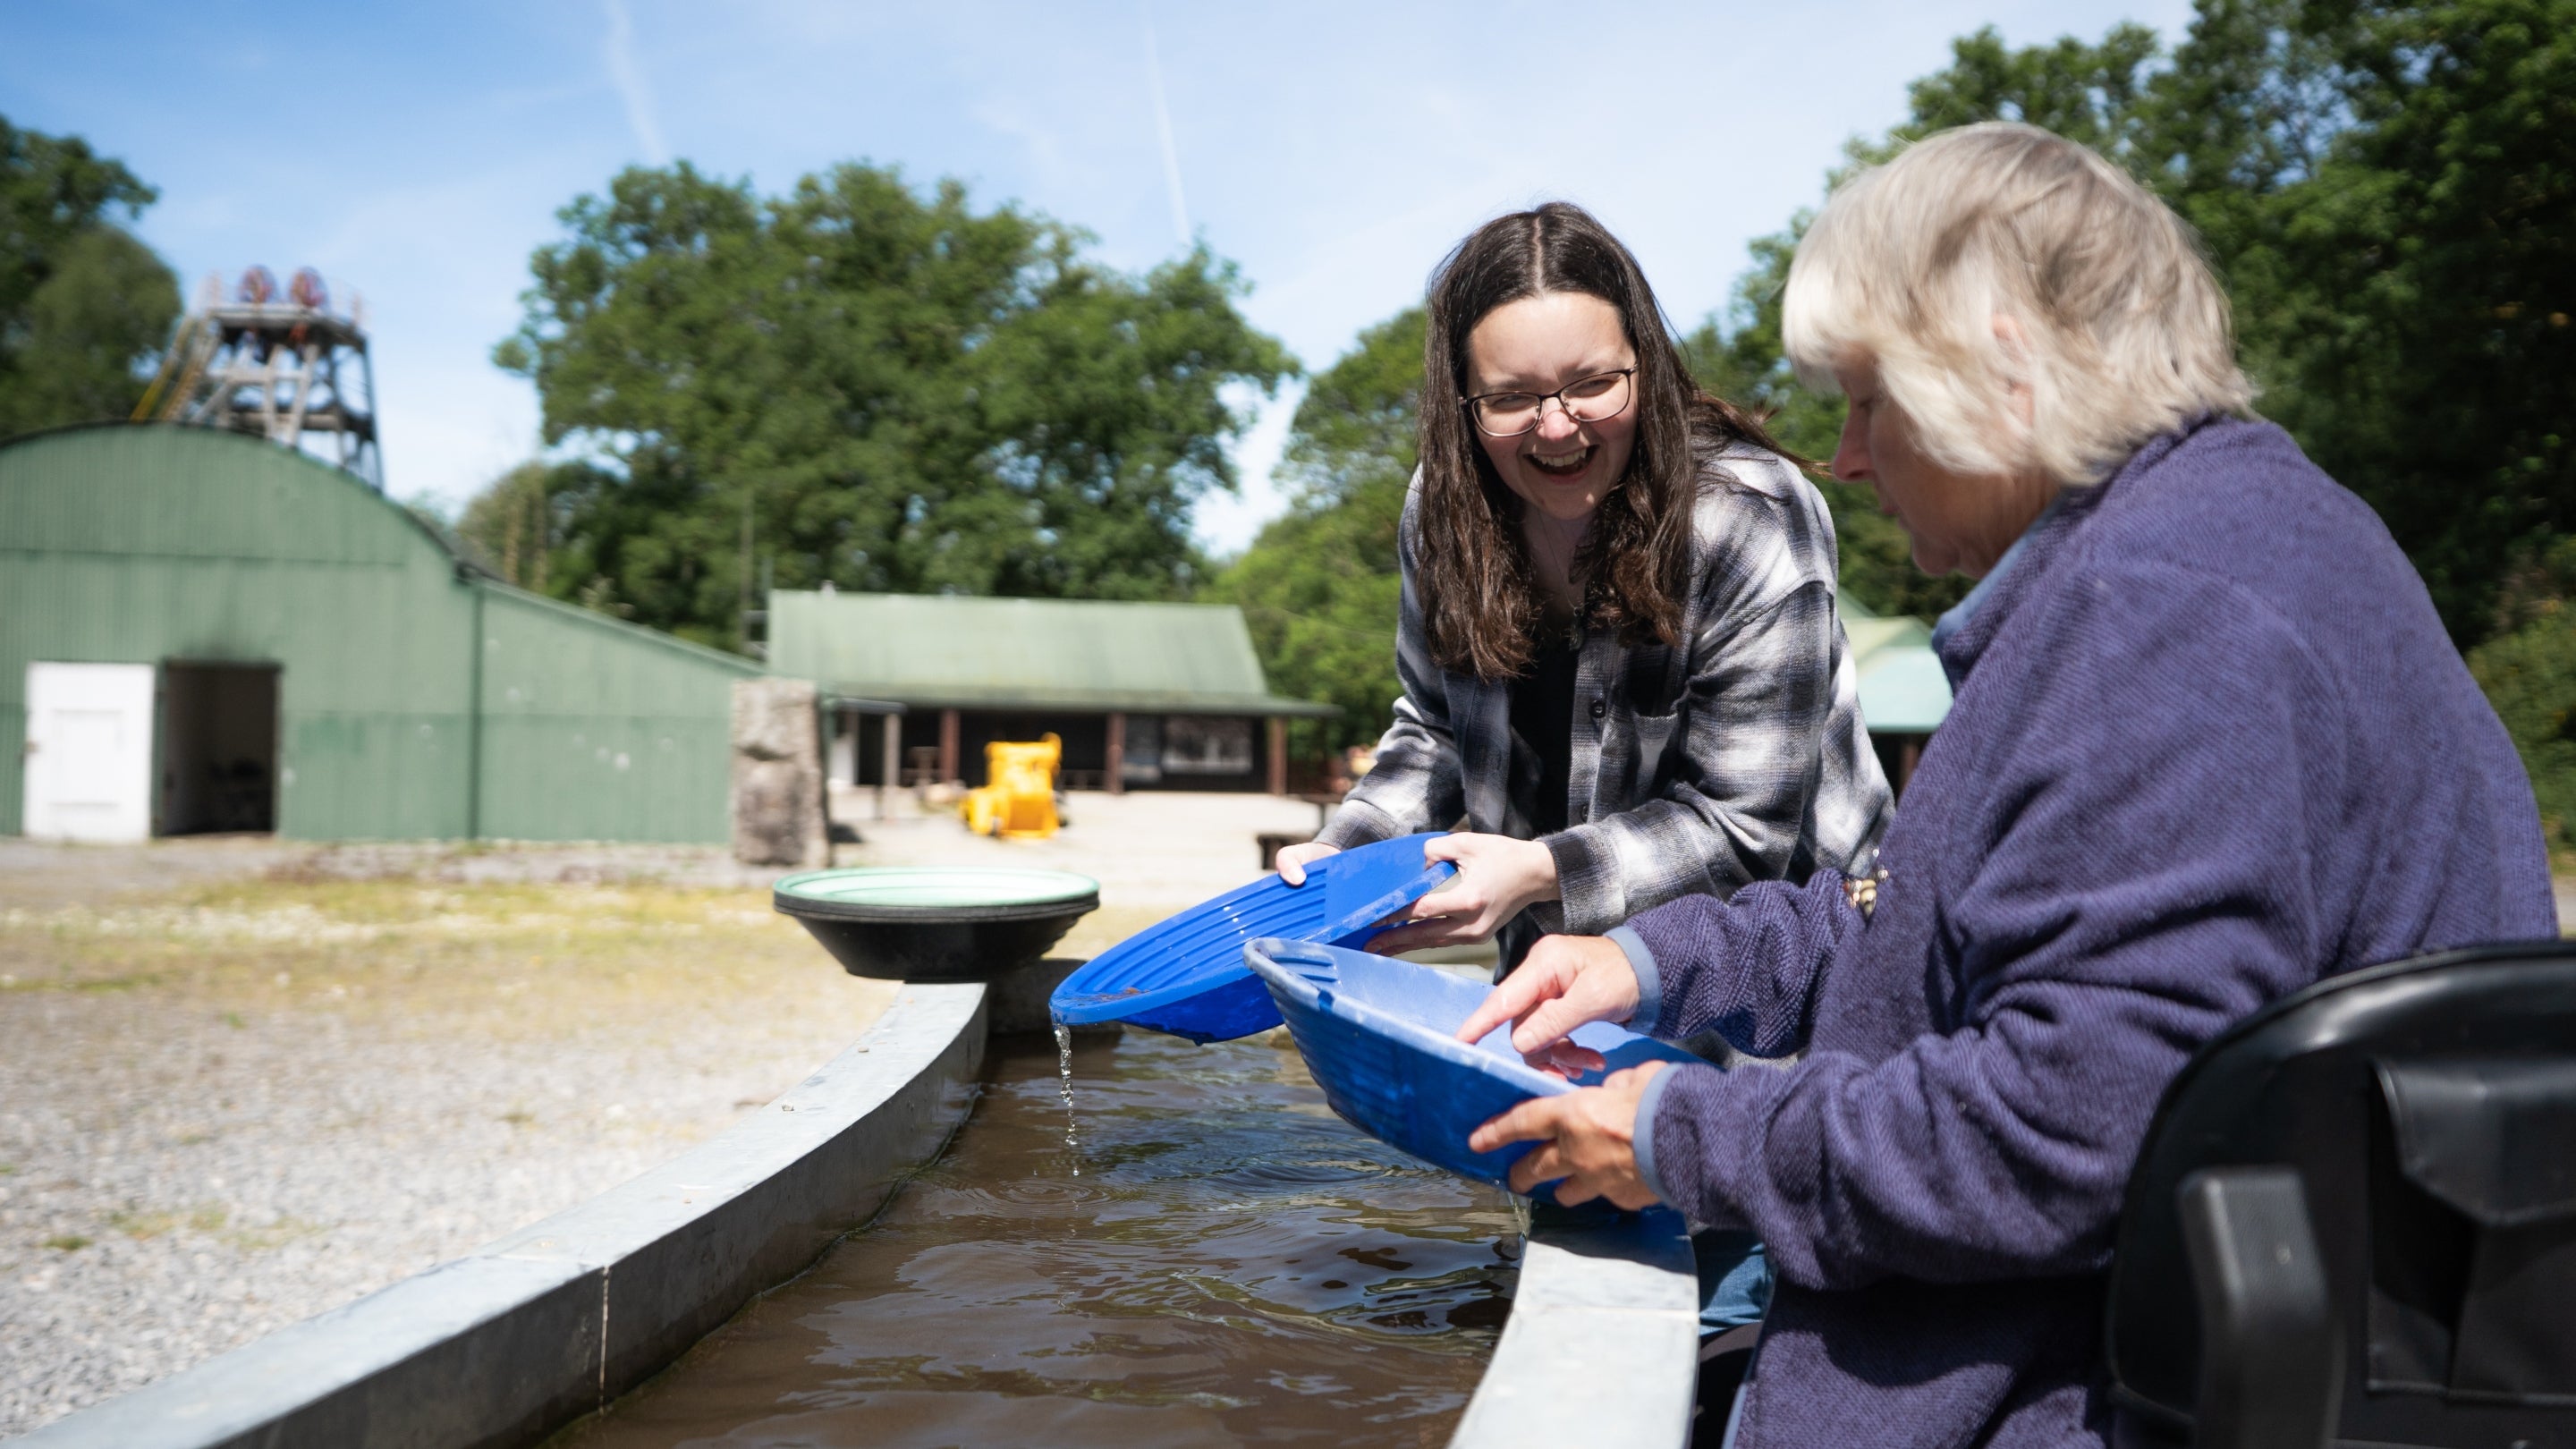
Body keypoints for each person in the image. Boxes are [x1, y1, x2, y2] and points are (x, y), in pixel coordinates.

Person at [1456, 122, 2556, 1449]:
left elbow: (2065, 1130)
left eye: (1870, 399)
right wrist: (1645, 959)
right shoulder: (2241, 541)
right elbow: (1923, 915)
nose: (1849, 458)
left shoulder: (2166, 618)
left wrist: (1685, 1131)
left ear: (1999, 372)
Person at [1277, 202, 1893, 975]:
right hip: (1557, 970)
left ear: (1648, 365)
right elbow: (1435, 731)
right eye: (1510, 398)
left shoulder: (1747, 517)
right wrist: (1334, 866)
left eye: (1594, 383)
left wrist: (1540, 873)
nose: (1558, 428)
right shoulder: (1442, 513)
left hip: (1796, 976)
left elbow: (1745, 832)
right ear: (1462, 406)